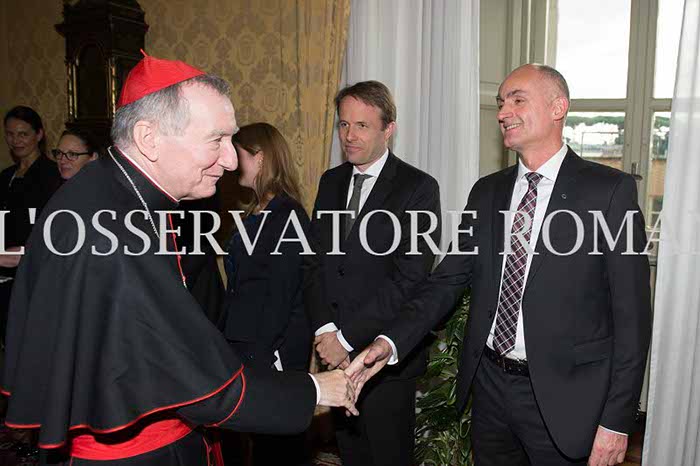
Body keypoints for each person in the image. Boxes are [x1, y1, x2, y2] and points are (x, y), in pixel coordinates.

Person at [1, 54, 358, 466]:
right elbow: (195, 382)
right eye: (216, 140)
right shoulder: (115, 233)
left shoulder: (110, 191)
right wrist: (316, 389)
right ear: (149, 138)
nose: (230, 161)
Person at [348, 64, 652, 466]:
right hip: (490, 391)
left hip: (567, 401)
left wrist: (616, 421)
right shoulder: (487, 192)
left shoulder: (609, 191)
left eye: (517, 100)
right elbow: (445, 281)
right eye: (501, 102)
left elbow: (632, 319)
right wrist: (389, 342)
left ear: (558, 107)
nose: (503, 112)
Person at [304, 80, 441, 466]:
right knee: (351, 456)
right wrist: (325, 331)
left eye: (362, 125)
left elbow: (409, 278)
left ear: (388, 129)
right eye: (344, 124)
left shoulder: (418, 188)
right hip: (334, 356)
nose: (349, 135)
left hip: (385, 364)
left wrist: (346, 338)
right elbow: (313, 262)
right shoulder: (330, 182)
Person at [222, 122, 313, 465]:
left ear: (260, 158)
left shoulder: (288, 215)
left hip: (271, 351)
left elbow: (282, 293)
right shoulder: (255, 213)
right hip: (245, 345)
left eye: (238, 154)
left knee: (277, 451)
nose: (231, 163)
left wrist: (263, 355)